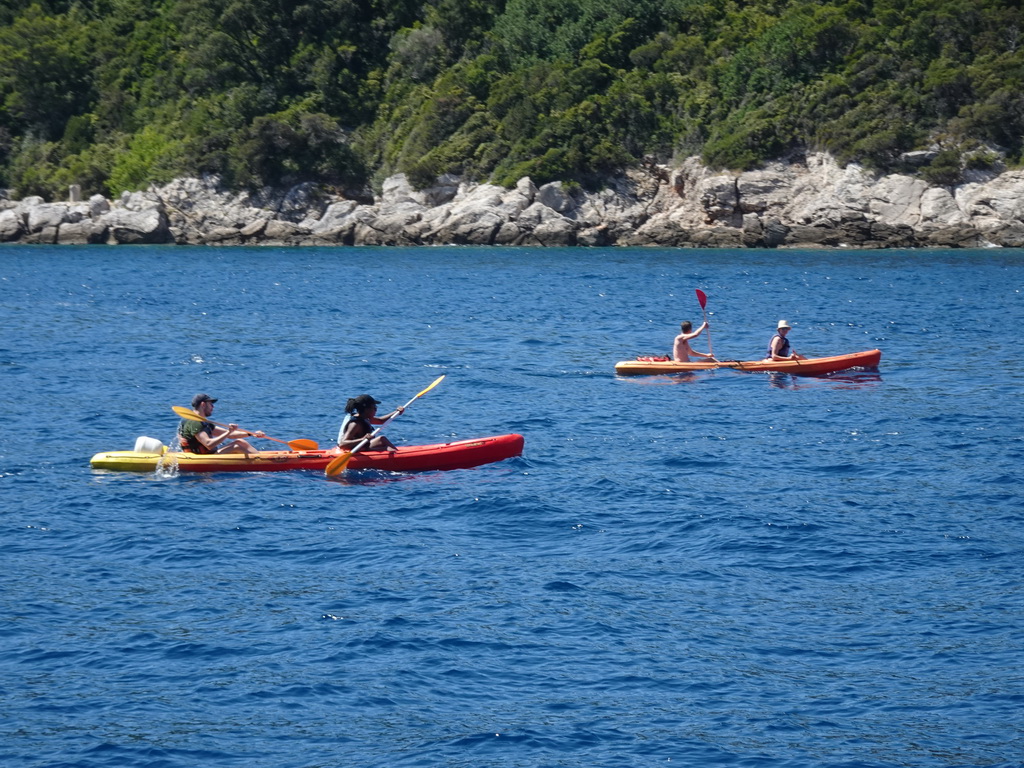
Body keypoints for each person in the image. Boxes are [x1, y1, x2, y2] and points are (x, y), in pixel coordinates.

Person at [178, 393, 265, 454]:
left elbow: (231, 435)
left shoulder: (199, 421)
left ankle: (257, 457)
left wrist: (251, 434)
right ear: (203, 404)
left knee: (240, 442)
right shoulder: (195, 423)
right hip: (204, 457)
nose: (213, 407)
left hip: (206, 455)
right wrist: (229, 432)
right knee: (238, 444)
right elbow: (209, 444)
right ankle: (261, 461)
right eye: (211, 404)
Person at [337, 394, 404, 452]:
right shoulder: (355, 424)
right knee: (382, 439)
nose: (376, 410)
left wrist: (397, 412)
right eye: (374, 408)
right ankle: (399, 457)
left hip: (361, 447)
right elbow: (342, 444)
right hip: (353, 450)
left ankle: (397, 453)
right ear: (366, 409)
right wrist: (363, 439)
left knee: (381, 441)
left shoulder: (363, 417)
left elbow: (381, 421)